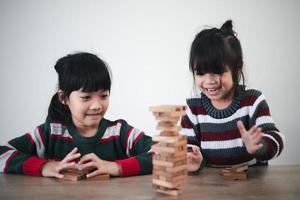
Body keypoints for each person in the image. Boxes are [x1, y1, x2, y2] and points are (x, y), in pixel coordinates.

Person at [0, 52, 152, 178]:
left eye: (104, 96)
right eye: (86, 97)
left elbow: (165, 154)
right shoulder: (50, 133)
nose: (97, 105)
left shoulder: (120, 133)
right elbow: (2, 153)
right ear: (64, 98)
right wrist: (44, 166)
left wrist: (116, 167)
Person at [182, 20, 284, 173]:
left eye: (218, 71)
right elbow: (188, 147)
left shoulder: (253, 101)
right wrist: (193, 160)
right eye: (200, 73)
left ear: (237, 69)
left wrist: (260, 146)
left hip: (252, 184)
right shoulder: (192, 109)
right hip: (211, 187)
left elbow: (276, 139)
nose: (209, 81)